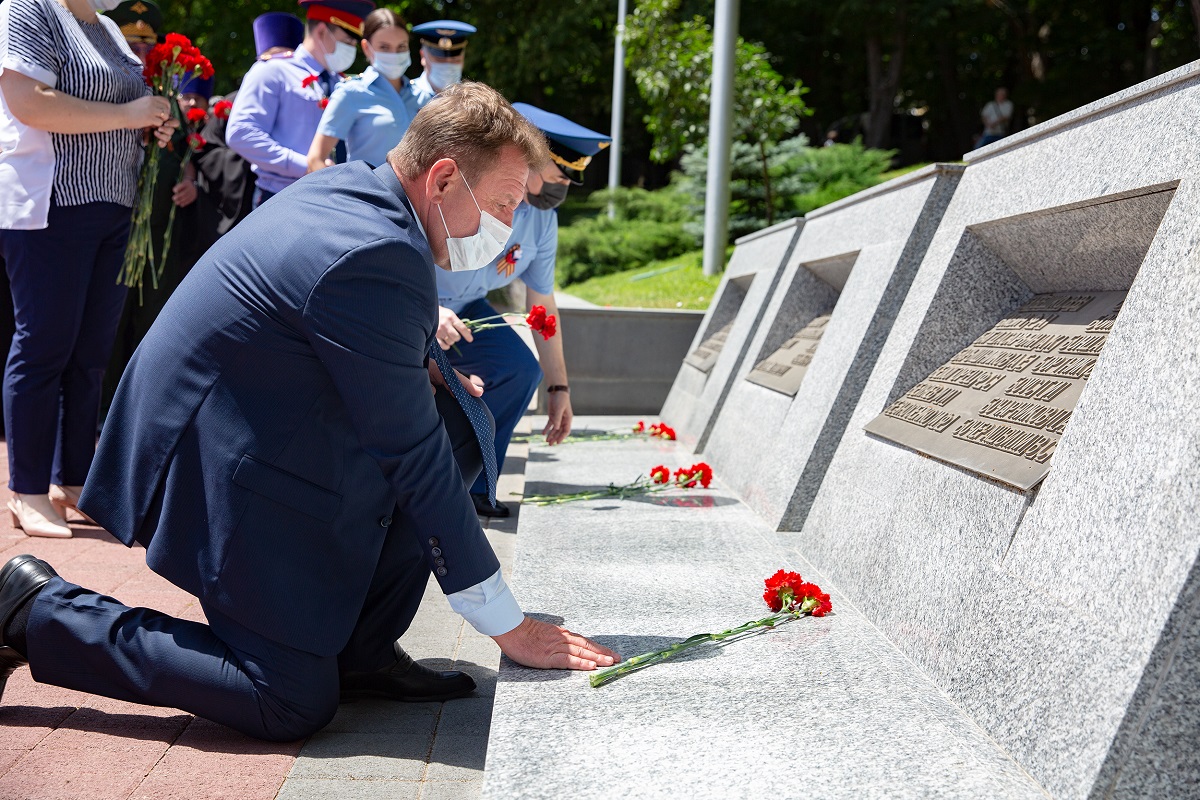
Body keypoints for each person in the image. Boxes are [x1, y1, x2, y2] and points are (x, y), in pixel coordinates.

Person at [0, 82, 619, 743]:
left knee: (459, 418)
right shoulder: (377, 251)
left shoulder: (371, 196)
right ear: (442, 179)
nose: (502, 231)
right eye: (501, 205)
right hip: (209, 453)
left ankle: (362, 651)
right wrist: (507, 624)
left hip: (258, 413)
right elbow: (410, 455)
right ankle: (35, 608)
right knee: (289, 699)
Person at [0, 0, 176, 539]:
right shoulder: (28, 9)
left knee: (90, 354)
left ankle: (73, 481)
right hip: (52, 203)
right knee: (45, 346)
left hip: (115, 204)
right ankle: (26, 491)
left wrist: (155, 121)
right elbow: (29, 101)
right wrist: (132, 114)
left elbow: (124, 104)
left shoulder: (106, 29)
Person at [436, 103, 609, 518]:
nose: (563, 186)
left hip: (466, 309)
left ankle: (476, 486)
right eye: (559, 173)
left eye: (568, 178)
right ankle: (431, 482)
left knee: (520, 369)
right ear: (531, 157)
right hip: (415, 300)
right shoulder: (473, 185)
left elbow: (542, 309)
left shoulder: (542, 220)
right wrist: (426, 309)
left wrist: (558, 389)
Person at [105, 0, 206, 410]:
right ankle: (101, 409)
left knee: (151, 321)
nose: (142, 54)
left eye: (148, 46)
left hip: (160, 234)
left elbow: (186, 156)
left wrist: (189, 182)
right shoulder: (109, 92)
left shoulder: (169, 96)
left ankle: (138, 407)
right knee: (109, 322)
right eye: (133, 45)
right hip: (118, 226)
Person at [227, 0, 376, 208]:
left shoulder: (339, 82)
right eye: (347, 43)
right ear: (323, 31)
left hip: (333, 198)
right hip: (282, 197)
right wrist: (304, 165)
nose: (352, 49)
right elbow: (241, 134)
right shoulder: (274, 71)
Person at [192, 12, 305, 250]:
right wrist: (251, 157)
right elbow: (209, 149)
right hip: (249, 197)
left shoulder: (307, 98)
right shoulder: (233, 104)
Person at [307, 7, 418, 172]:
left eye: (401, 47)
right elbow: (315, 159)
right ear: (367, 48)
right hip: (368, 196)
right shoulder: (351, 93)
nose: (394, 54)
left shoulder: (422, 96)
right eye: (385, 47)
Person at [410, 19, 474, 107]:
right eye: (440, 58)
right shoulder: (406, 96)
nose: (448, 63)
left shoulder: (473, 102)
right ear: (423, 57)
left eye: (455, 59)